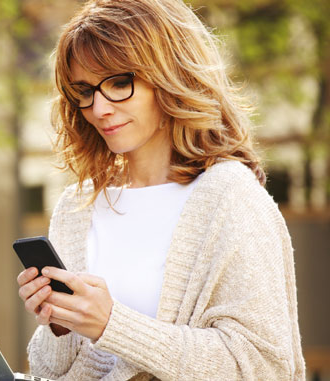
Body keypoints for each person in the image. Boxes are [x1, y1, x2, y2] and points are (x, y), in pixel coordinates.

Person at [16, 0, 304, 380]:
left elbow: (265, 367)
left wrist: (112, 325)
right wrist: (60, 326)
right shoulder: (76, 208)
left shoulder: (230, 198)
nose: (99, 108)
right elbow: (51, 371)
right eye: (84, 91)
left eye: (119, 83)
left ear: (170, 75)